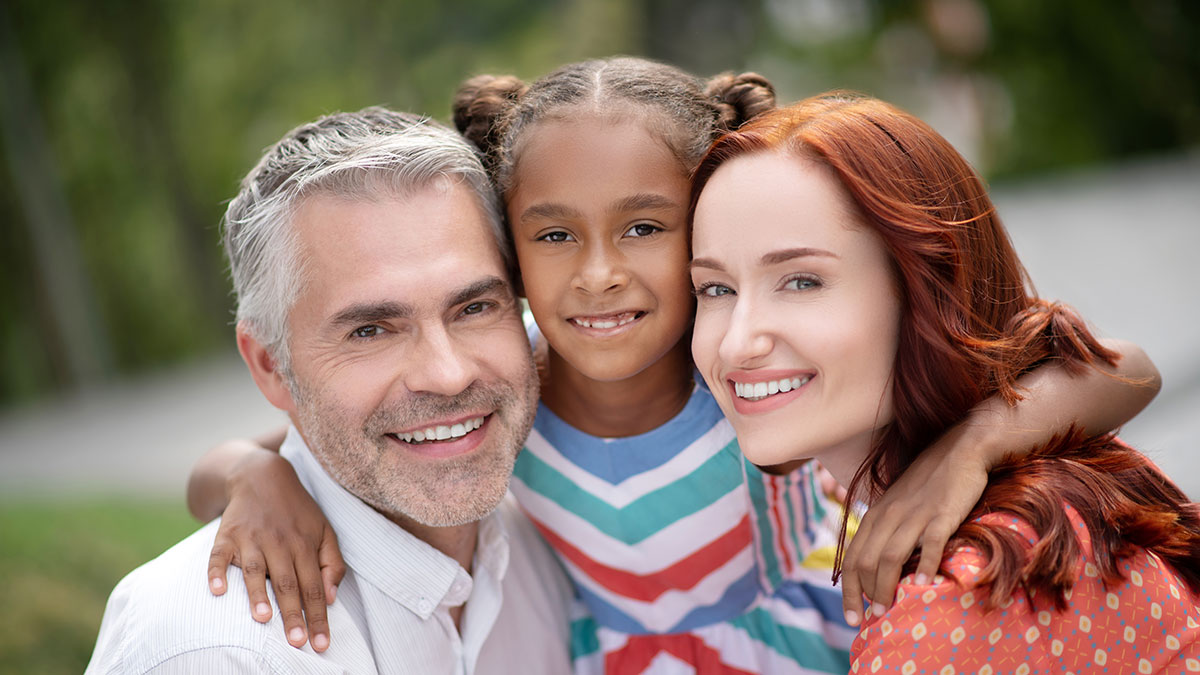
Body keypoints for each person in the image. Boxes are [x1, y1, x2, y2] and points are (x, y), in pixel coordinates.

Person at [190, 58, 1161, 674]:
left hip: (804, 647)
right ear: (510, 251)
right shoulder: (503, 389)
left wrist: (970, 450)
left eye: (647, 228)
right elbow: (256, 454)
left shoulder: (741, 373)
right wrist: (254, 475)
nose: (601, 274)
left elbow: (1129, 370)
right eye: (555, 235)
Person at [687, 91, 1200, 672]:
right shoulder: (1032, 464)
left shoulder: (963, 592)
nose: (736, 342)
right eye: (715, 289)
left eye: (802, 282)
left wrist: (971, 445)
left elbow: (1126, 366)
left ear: (926, 289)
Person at [86, 108, 573, 674]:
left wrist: (246, 466)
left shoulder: (557, 541)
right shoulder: (213, 651)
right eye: (369, 330)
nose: (448, 375)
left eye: (474, 307)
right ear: (271, 365)